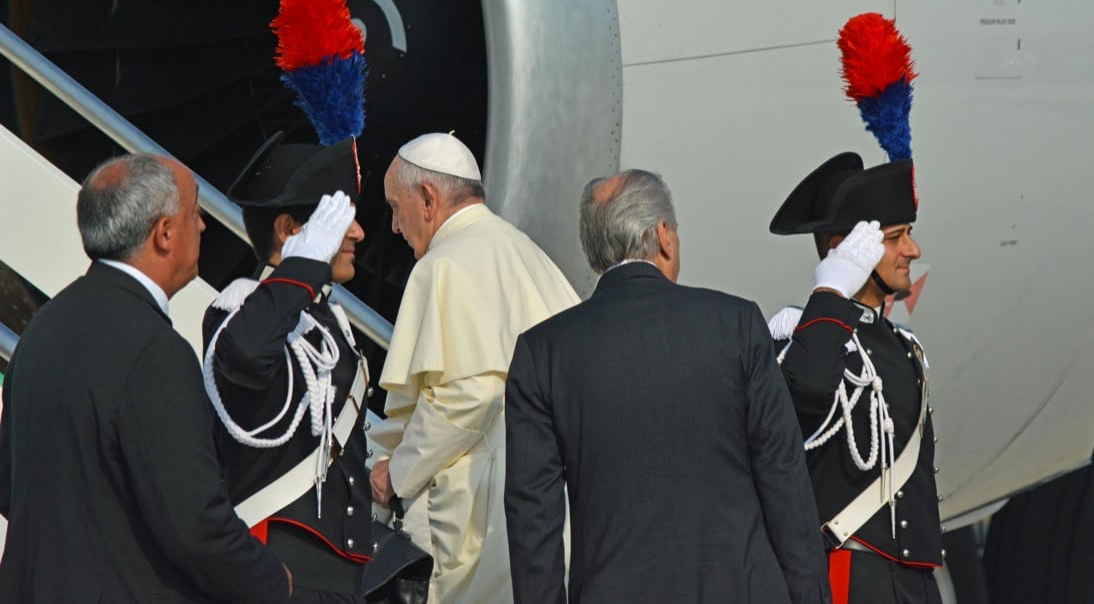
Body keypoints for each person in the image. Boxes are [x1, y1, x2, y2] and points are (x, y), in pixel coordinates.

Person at [504, 169, 832, 603]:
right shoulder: (736, 324)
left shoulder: (541, 354)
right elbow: (785, 485)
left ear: (592, 253)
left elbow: (533, 527)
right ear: (664, 236)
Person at [0, 154, 292, 603]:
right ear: (165, 234)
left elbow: (10, 481)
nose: (204, 227)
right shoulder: (155, 352)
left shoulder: (44, 328)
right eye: (196, 213)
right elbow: (194, 524)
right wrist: (272, 581)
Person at [369, 132, 579, 603]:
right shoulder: (527, 250)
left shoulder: (444, 264)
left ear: (427, 199)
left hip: (495, 513)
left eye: (395, 208)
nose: (396, 227)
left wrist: (397, 473)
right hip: (561, 498)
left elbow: (466, 396)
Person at [202, 132, 379, 602]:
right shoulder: (240, 309)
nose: (358, 233)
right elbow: (244, 354)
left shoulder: (325, 318)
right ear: (290, 229)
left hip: (342, 572)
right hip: (281, 570)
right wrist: (302, 267)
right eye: (339, 222)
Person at [769, 153, 943, 603]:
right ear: (844, 248)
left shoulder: (903, 345)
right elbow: (801, 396)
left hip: (915, 581)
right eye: (894, 237)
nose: (913, 250)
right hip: (852, 575)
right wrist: (830, 294)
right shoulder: (800, 338)